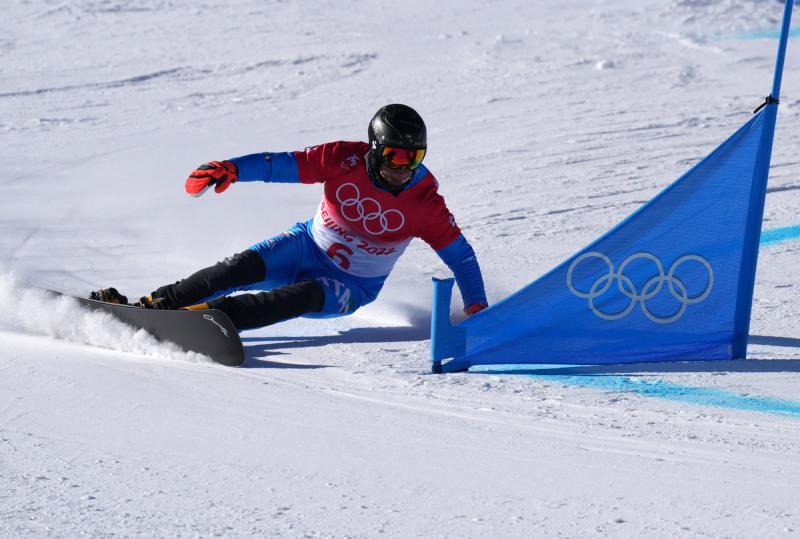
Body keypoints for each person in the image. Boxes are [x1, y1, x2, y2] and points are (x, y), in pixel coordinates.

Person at [91, 104, 488, 330]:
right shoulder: (342, 158)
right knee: (234, 269)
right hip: (305, 246)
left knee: (296, 298)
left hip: (351, 284)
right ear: (374, 148)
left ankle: (207, 322)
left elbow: (462, 258)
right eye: (394, 156)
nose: (403, 167)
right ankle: (154, 304)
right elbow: (283, 165)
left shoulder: (424, 202)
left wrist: (477, 307)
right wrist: (232, 169)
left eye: (414, 158)